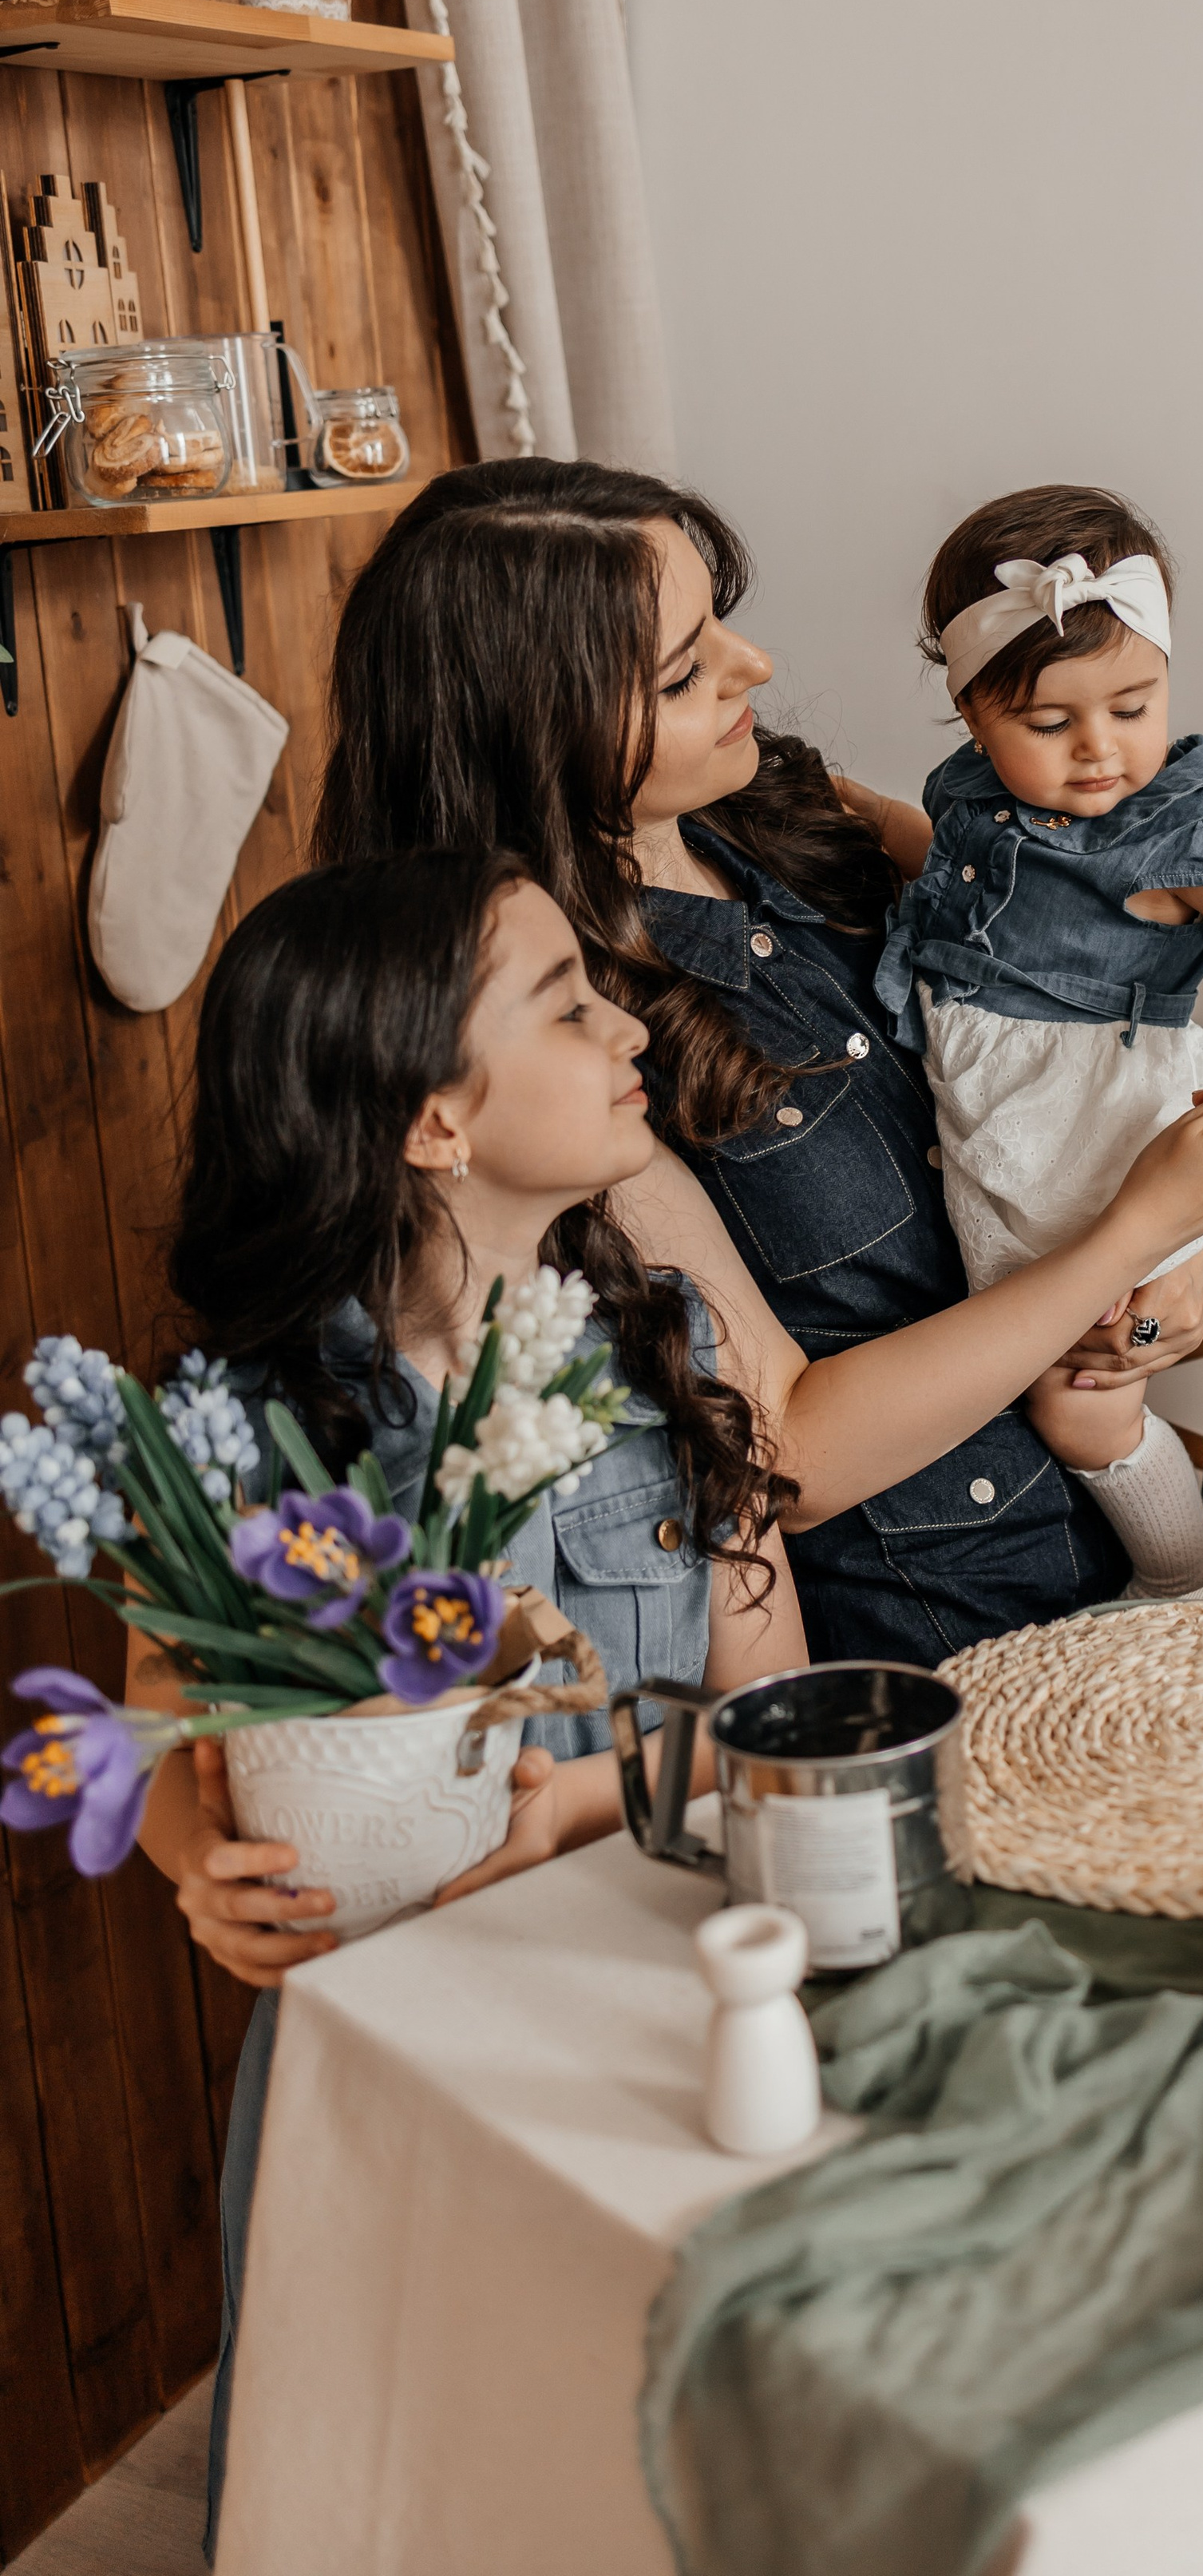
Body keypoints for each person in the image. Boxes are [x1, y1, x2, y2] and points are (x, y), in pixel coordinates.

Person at [312, 460, 1203, 1663]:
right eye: (682, 674)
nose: (755, 665)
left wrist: (1191, 1265)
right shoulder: (568, 1052)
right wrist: (1143, 1229)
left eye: (720, 622)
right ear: (532, 734)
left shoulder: (800, 820)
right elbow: (785, 1456)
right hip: (947, 1638)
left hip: (1126, 1529)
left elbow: (1092, 1163)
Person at [129, 849, 809, 2554]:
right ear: (435, 1121)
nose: (626, 1029)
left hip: (646, 2022)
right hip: (377, 2054)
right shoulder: (246, 1420)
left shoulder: (671, 1352)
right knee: (373, 2489)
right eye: (567, 1007)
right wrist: (195, 1868)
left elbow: (780, 1728)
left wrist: (592, 1799)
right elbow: (155, 1711)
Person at [875, 485, 1203, 1594]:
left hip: (1104, 1139)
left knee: (1080, 1400)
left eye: (1135, 705)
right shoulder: (972, 794)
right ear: (973, 716)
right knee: (1008, 1359)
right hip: (1007, 1134)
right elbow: (970, 880)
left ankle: (1187, 1580)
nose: (1101, 749)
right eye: (1050, 725)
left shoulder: (1170, 829)